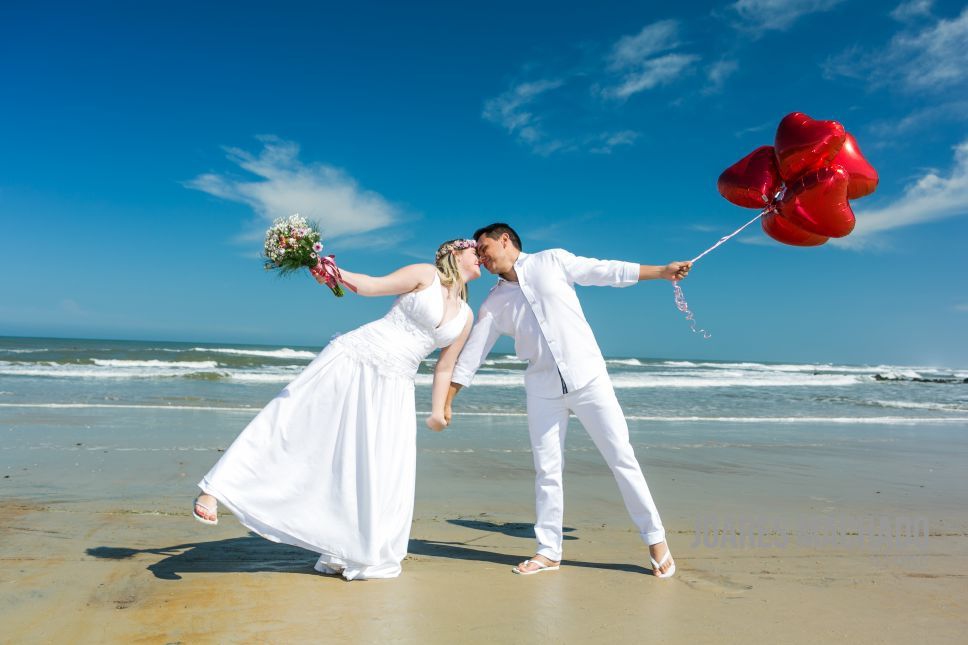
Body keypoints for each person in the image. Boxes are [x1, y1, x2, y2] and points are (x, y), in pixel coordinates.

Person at [191, 239, 481, 580]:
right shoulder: (425, 274)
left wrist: (436, 411)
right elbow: (372, 285)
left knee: (375, 465)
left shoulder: (466, 314)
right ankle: (216, 490)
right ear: (455, 253)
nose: (482, 257)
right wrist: (329, 270)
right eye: (476, 250)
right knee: (293, 419)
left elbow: (445, 366)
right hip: (356, 358)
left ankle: (352, 547)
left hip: (396, 384)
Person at [446, 223, 690, 578]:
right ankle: (548, 551)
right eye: (478, 253)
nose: (481, 258)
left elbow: (605, 271)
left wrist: (661, 272)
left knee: (622, 458)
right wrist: (448, 399)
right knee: (547, 471)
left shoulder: (552, 261)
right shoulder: (494, 302)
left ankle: (655, 539)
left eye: (484, 249)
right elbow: (473, 354)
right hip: (542, 389)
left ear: (505, 240)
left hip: (589, 378)